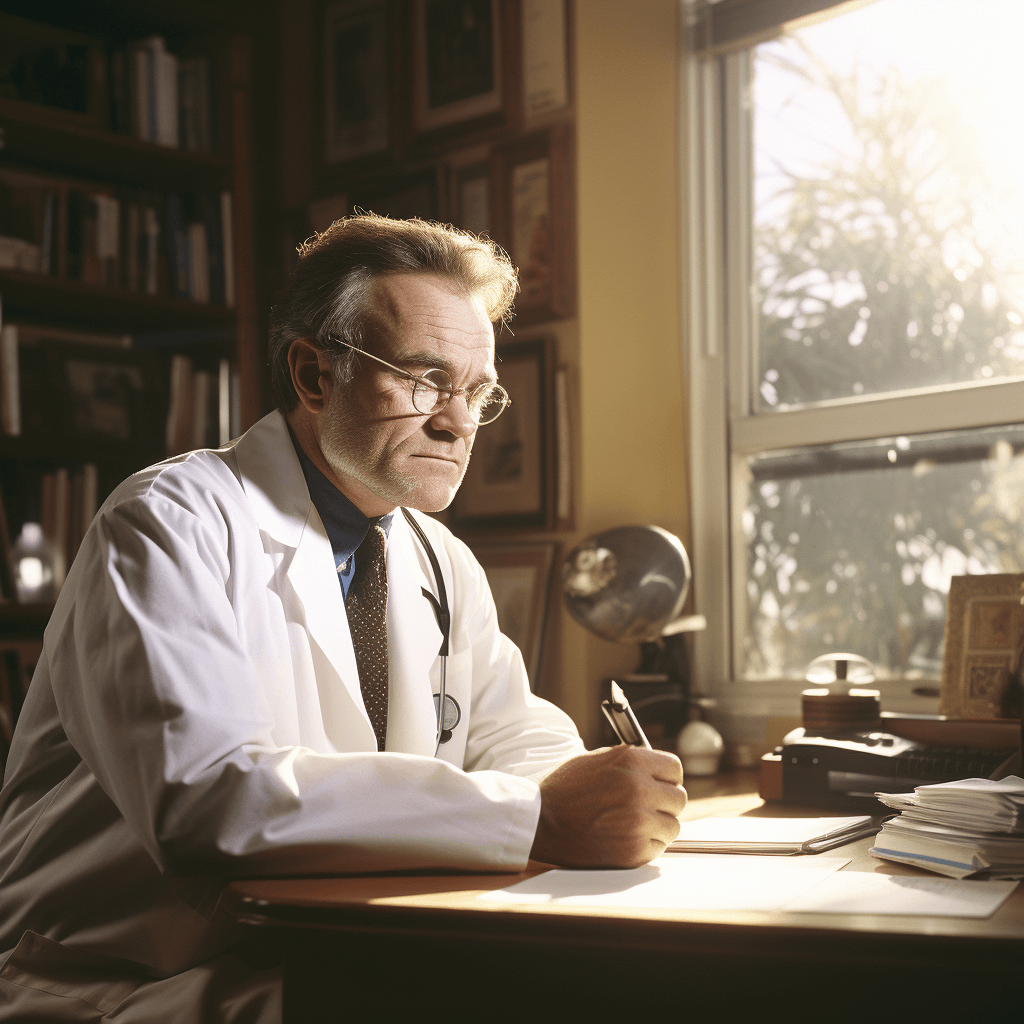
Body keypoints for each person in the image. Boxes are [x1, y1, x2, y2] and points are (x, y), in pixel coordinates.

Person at [0, 214, 687, 1022]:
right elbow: (210, 802)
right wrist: (535, 816)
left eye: (476, 392)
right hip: (123, 980)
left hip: (327, 944)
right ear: (314, 374)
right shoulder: (169, 523)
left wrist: (581, 797)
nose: (457, 422)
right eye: (425, 378)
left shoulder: (437, 557)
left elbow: (519, 736)